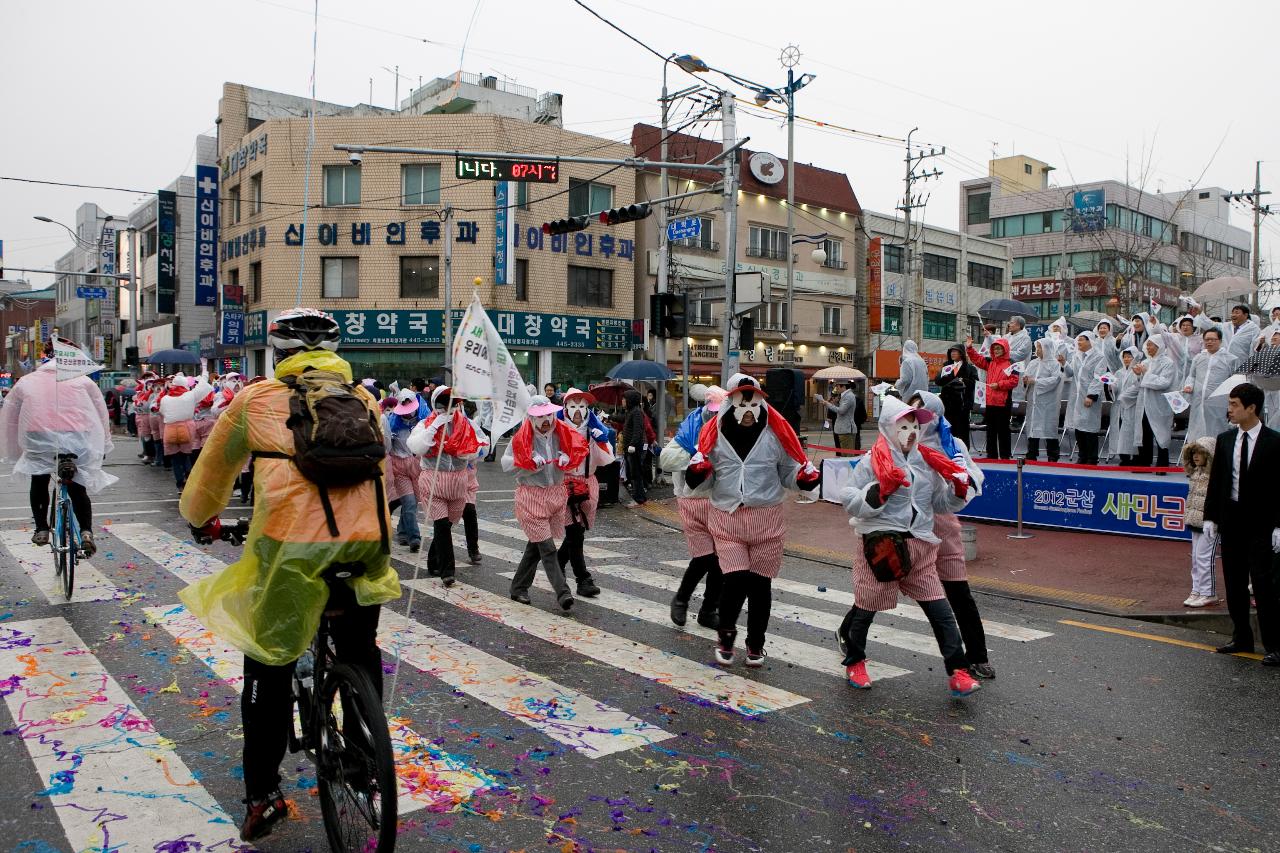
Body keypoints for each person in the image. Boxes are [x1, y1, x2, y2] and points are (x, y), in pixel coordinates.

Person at [177, 308, 402, 841]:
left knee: (270, 664)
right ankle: (363, 751)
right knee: (358, 648)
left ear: (279, 353)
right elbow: (382, 472)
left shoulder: (254, 399)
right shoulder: (365, 399)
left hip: (291, 552)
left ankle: (262, 796)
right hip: (367, 544)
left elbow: (211, 475)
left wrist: (198, 518)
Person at [837, 395, 982, 696]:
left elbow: (939, 503)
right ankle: (855, 661)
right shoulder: (871, 460)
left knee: (941, 611)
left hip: (921, 547)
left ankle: (958, 671)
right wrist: (879, 493)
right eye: (903, 426)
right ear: (889, 427)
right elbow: (849, 499)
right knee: (865, 610)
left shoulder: (927, 460)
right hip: (882, 546)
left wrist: (957, 490)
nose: (911, 432)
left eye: (915, 425)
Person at [685, 374, 820, 666]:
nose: (748, 411)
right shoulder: (715, 435)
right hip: (728, 519)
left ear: (761, 404)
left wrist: (804, 480)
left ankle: (756, 643)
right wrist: (696, 474)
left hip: (766, 520)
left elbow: (787, 473)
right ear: (730, 404)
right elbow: (706, 481)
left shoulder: (775, 435)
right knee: (734, 581)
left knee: (760, 586)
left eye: (753, 404)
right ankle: (726, 634)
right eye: (741, 404)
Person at [908, 390, 995, 679]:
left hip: (944, 527)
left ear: (933, 415)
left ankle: (978, 656)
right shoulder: (902, 441)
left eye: (920, 411)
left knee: (960, 594)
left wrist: (962, 482)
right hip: (909, 529)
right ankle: (849, 635)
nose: (913, 417)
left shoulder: (953, 444)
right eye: (911, 410)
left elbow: (973, 474)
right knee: (877, 588)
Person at [1, 336, 114, 556]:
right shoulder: (84, 381)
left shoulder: (27, 380)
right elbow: (101, 414)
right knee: (76, 485)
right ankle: (86, 532)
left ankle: (42, 528)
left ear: (46, 355)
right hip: (77, 438)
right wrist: (104, 445)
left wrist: (15, 451)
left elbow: (11, 417)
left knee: (40, 478)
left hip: (38, 438)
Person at [1201, 382, 1280, 665]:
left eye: (1235, 405)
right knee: (1233, 582)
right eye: (1230, 404)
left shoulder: (1274, 442)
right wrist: (1210, 517)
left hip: (1261, 523)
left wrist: (1278, 525)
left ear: (1251, 408)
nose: (1230, 410)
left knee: (1263, 584)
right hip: (1232, 520)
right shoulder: (1225, 440)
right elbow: (1217, 482)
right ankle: (1241, 636)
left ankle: (1274, 644)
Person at [503, 395, 588, 611]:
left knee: (536, 545)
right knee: (547, 547)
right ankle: (563, 593)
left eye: (548, 414)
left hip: (555, 496)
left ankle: (518, 587)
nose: (546, 420)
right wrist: (528, 462)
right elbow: (507, 465)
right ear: (531, 418)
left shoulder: (563, 432)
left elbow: (579, 451)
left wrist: (568, 458)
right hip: (531, 498)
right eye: (540, 416)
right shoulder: (522, 438)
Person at [660, 386, 727, 629]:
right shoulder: (688, 433)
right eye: (713, 413)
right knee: (704, 557)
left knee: (720, 559)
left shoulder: (729, 433)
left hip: (720, 503)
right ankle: (681, 599)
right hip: (692, 501)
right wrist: (695, 455)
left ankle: (709, 609)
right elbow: (666, 460)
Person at [408, 386, 483, 587]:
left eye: (452, 403)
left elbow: (483, 446)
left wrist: (467, 453)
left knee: (447, 525)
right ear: (434, 403)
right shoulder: (426, 423)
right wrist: (434, 428)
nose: (447, 408)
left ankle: (433, 560)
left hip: (458, 483)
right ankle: (447, 571)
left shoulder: (466, 424)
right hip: (433, 482)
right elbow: (416, 447)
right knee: (440, 524)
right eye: (442, 403)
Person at [555, 388, 615, 598]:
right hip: (565, 483)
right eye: (573, 406)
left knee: (578, 531)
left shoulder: (593, 429)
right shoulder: (556, 428)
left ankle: (557, 563)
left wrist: (601, 440)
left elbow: (608, 458)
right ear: (565, 408)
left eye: (582, 406)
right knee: (574, 533)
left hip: (588, 483)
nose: (578, 411)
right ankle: (583, 579)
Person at [384, 388, 428, 553]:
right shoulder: (391, 422)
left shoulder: (423, 422)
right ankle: (414, 538)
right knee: (408, 502)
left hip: (417, 466)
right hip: (399, 467)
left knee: (413, 502)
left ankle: (402, 532)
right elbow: (387, 446)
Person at [1180, 437, 1220, 608]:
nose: (1196, 456)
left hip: (1210, 523)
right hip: (1195, 521)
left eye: (1200, 453)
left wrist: (1214, 520)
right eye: (1193, 453)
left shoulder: (1216, 476)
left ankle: (1208, 592)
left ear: (1209, 455)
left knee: (1205, 557)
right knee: (1196, 558)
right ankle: (1197, 590)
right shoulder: (1196, 473)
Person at [1182, 328, 1239, 445]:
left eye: (1213, 339)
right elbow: (1191, 376)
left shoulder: (1230, 359)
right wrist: (1189, 385)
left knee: (1216, 430)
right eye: (1207, 339)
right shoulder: (1198, 358)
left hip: (1218, 403)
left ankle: (1216, 458)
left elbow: (1234, 380)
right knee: (1196, 430)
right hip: (1198, 401)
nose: (1209, 342)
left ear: (1220, 341)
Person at [966, 335, 1019, 459]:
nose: (996, 351)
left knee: (1003, 431)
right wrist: (969, 348)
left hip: (1003, 402)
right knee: (991, 431)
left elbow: (1014, 381)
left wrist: (999, 385)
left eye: (999, 349)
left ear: (1005, 349)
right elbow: (977, 360)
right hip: (990, 401)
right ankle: (992, 455)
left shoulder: (1011, 363)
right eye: (994, 349)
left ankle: (1005, 456)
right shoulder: (990, 362)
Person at [159, 373, 211, 490]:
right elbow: (204, 387)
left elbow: (161, 411)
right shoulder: (190, 395)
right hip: (186, 427)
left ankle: (179, 483)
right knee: (186, 455)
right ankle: (188, 476)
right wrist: (204, 372)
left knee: (175, 458)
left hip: (170, 429)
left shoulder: (165, 398)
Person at [1132, 334, 1177, 467]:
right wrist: (1138, 376)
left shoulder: (1168, 363)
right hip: (1144, 402)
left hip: (1159, 403)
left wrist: (1146, 374)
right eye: (1147, 344)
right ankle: (1145, 461)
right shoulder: (1145, 362)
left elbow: (1164, 382)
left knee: (1160, 432)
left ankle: (1162, 463)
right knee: (1144, 431)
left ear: (1160, 346)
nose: (1148, 347)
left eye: (1151, 344)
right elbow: (1138, 384)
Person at [1065, 331, 1106, 465]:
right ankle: (1082, 455)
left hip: (1089, 397)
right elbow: (1071, 373)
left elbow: (1098, 377)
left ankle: (1092, 458)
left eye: (1082, 340)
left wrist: (1091, 396)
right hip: (1077, 396)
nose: (1079, 342)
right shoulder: (1077, 356)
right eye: (1078, 340)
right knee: (1078, 426)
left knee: (1090, 428)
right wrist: (1063, 363)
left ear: (1090, 341)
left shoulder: (1099, 357)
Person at [1023, 336, 1064, 462]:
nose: (1038, 350)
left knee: (1048, 428)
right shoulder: (1033, 363)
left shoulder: (1054, 364)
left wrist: (1035, 381)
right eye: (1037, 347)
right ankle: (1031, 453)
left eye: (1040, 347)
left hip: (1048, 402)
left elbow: (1055, 380)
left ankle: (1053, 455)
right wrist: (1025, 381)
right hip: (1033, 401)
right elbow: (1027, 377)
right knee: (1033, 427)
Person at [935, 344, 978, 446]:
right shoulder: (947, 366)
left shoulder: (970, 368)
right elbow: (938, 381)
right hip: (948, 403)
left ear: (962, 353)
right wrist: (948, 377)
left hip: (962, 403)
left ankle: (964, 451)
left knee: (962, 429)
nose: (953, 353)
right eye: (951, 351)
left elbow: (975, 383)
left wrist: (964, 381)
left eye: (956, 351)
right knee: (949, 428)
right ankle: (949, 449)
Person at [1192, 303, 1260, 363]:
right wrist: (1200, 313)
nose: (1233, 315)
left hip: (1242, 363)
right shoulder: (1225, 326)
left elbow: (1255, 348)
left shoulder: (1253, 329)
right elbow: (1210, 324)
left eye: (1237, 313)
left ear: (1245, 315)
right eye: (1232, 313)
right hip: (1223, 362)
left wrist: (1251, 364)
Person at [1109, 347, 1143, 465]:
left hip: (1132, 405)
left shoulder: (1137, 371)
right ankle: (1124, 456)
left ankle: (1134, 455)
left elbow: (1139, 386)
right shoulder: (1119, 372)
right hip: (1119, 406)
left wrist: (1126, 397)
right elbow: (1116, 387)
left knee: (1131, 431)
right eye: (1125, 357)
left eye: (1129, 357)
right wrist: (1111, 386)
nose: (1126, 359)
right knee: (1120, 430)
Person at [621, 389, 648, 505]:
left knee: (636, 472)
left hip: (635, 448)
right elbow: (622, 420)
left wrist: (632, 444)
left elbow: (638, 430)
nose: (622, 401)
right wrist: (609, 416)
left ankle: (640, 497)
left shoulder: (636, 412)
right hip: (630, 447)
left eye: (624, 399)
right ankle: (638, 495)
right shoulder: (630, 411)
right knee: (633, 472)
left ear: (630, 400)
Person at [820, 381, 862, 452]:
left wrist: (828, 404)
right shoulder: (844, 396)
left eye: (838, 386)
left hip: (846, 429)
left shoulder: (848, 396)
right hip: (844, 429)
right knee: (844, 454)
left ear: (844, 387)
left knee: (847, 455)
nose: (836, 388)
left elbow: (841, 411)